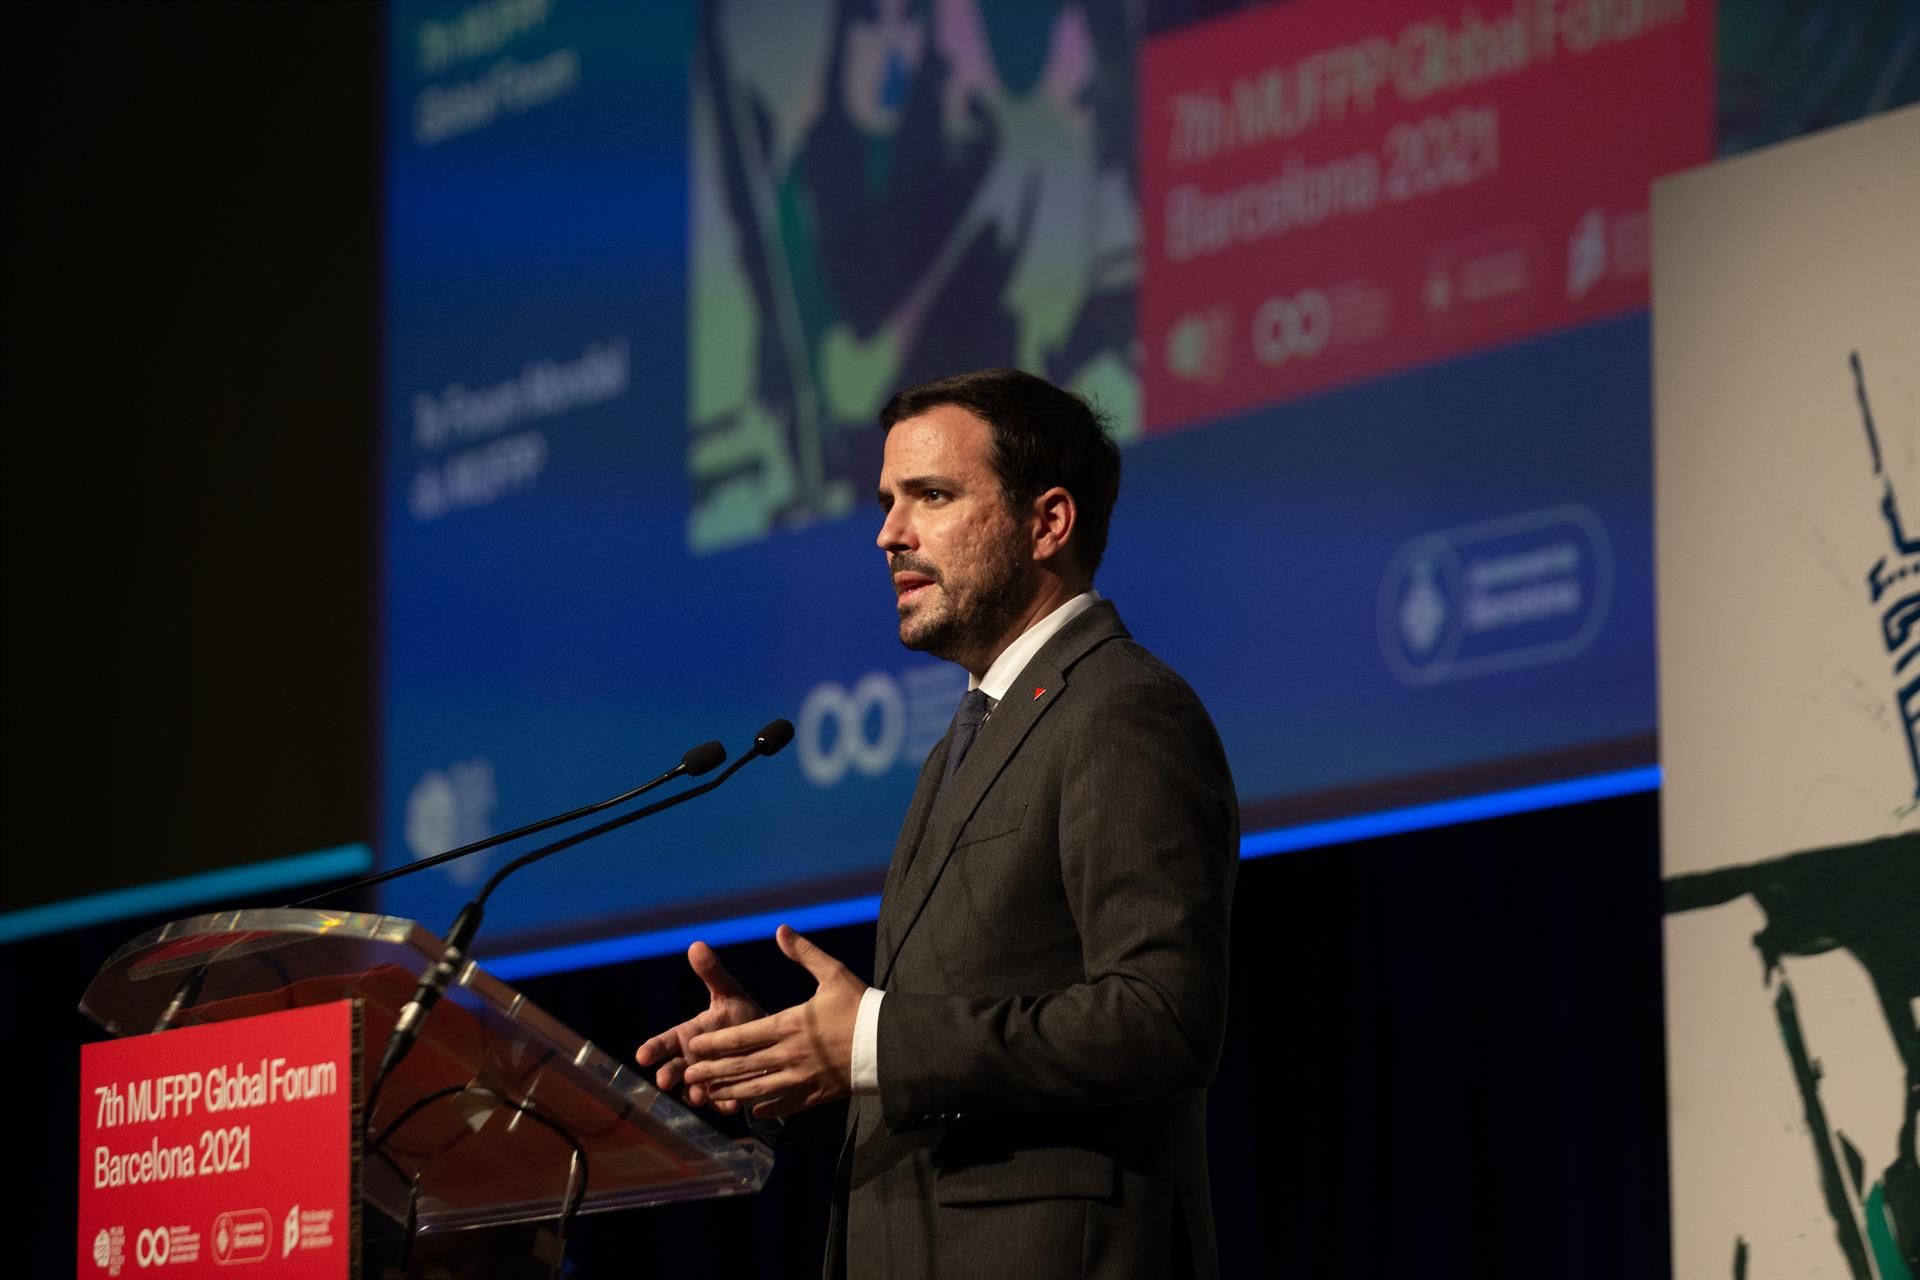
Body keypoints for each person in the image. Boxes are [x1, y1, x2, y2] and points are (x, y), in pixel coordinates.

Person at [637, 368, 1239, 1278]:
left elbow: (1161, 1020)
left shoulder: (1121, 711)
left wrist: (872, 1039)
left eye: (932, 496)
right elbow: (952, 1064)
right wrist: (797, 1062)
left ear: (1049, 523)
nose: (888, 534)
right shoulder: (965, 741)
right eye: (888, 502)